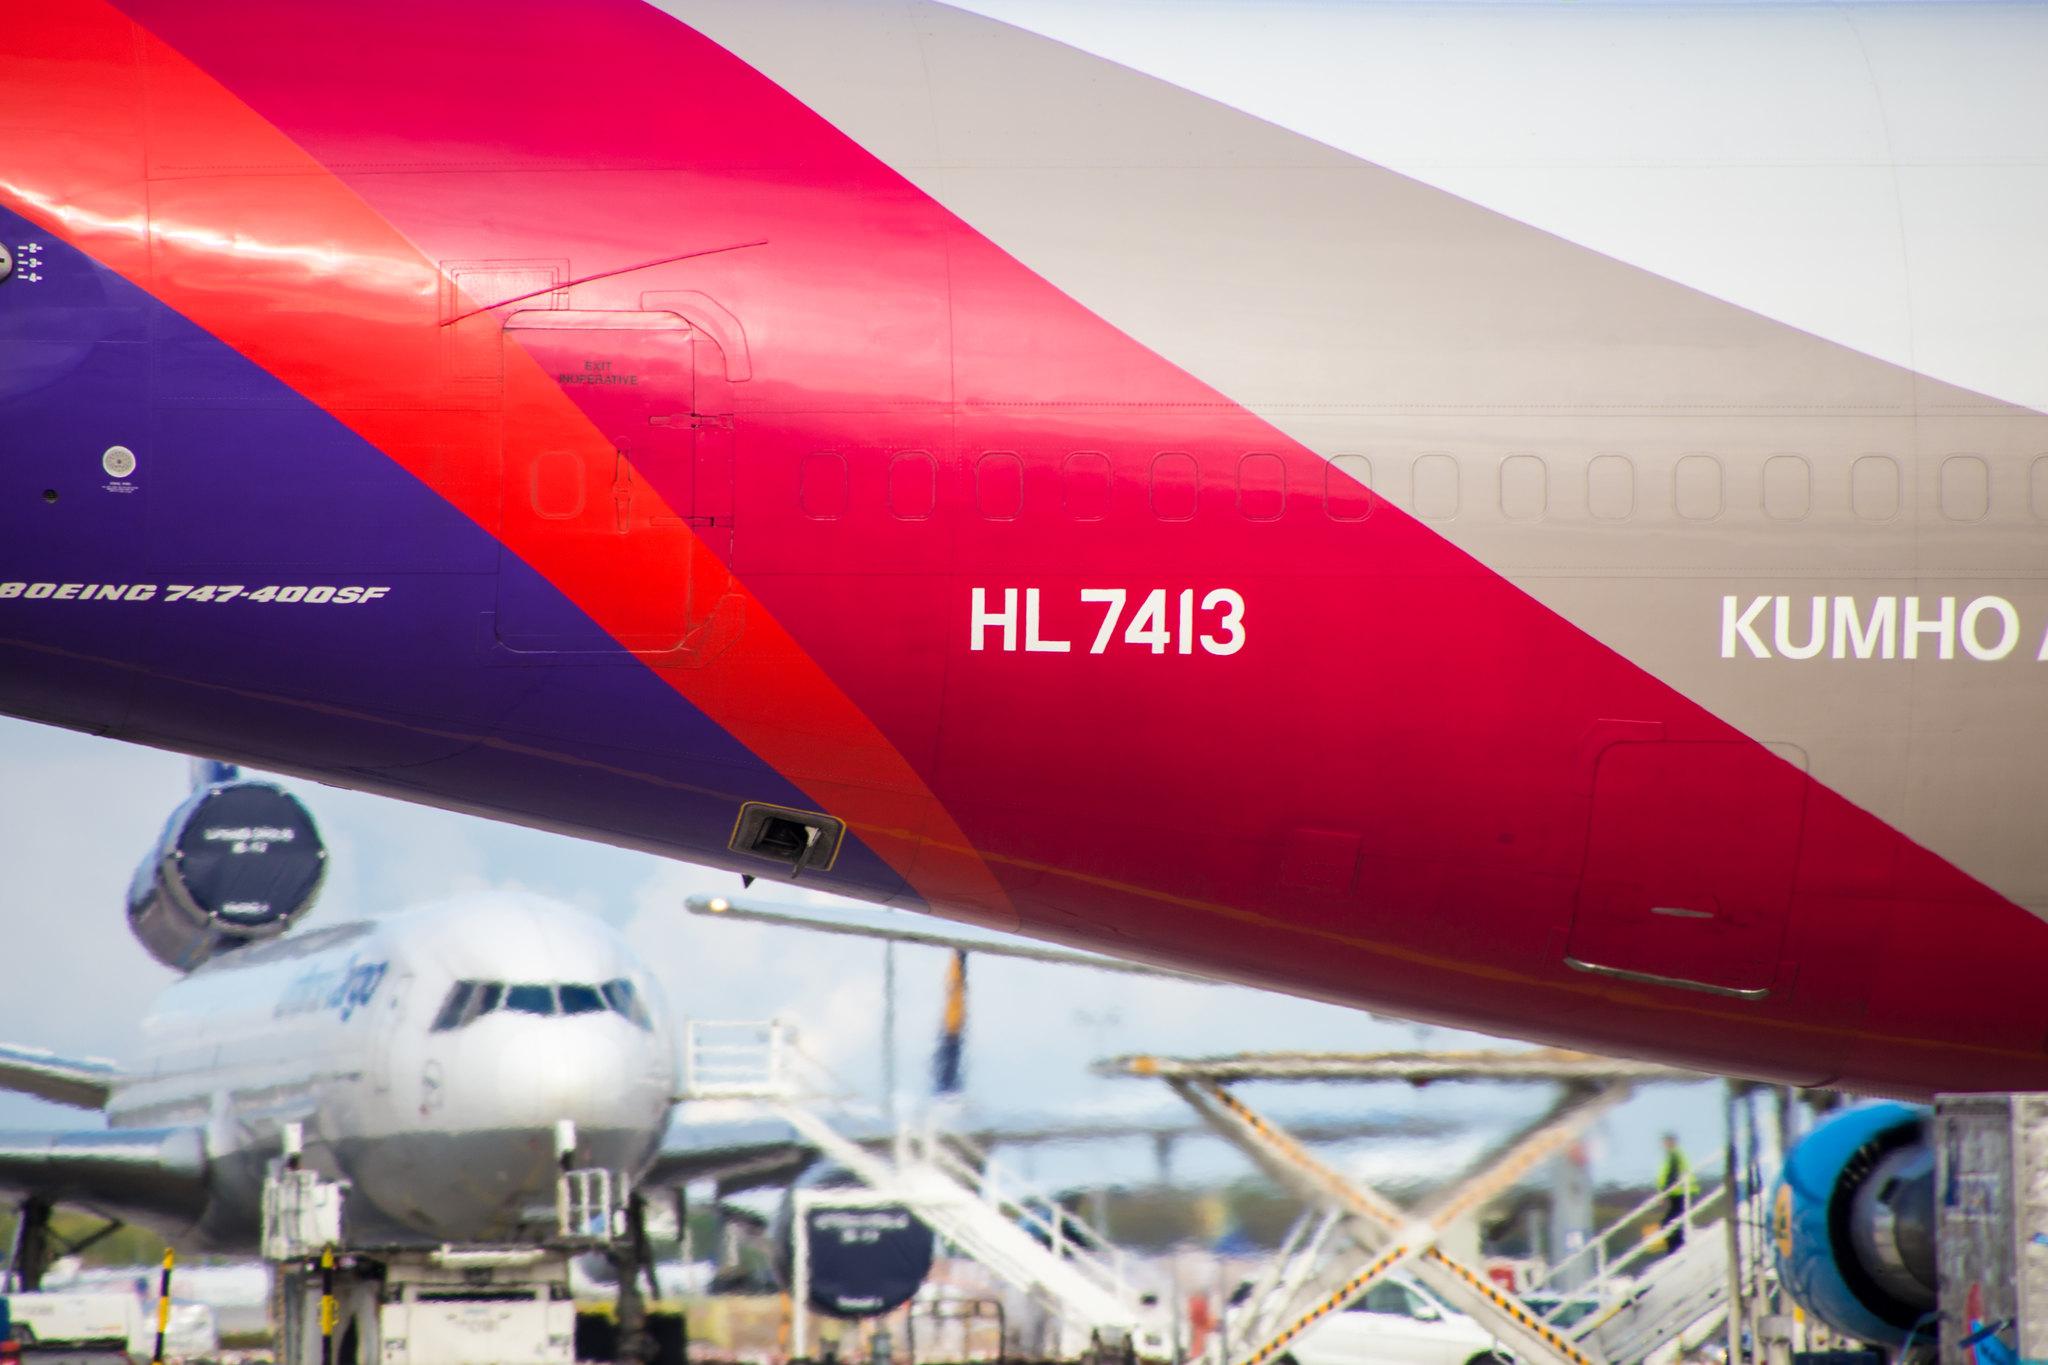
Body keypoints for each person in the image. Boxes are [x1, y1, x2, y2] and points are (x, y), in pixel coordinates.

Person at [1658, 1132, 1698, 1251]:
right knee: (1674, 1220)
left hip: (1680, 1192)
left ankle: (1676, 1248)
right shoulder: (1674, 1155)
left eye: (1666, 1142)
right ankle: (1676, 1246)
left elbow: (1672, 1175)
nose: (1664, 1145)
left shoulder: (1674, 1156)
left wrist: (1664, 1193)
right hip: (1679, 1192)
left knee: (1670, 1222)